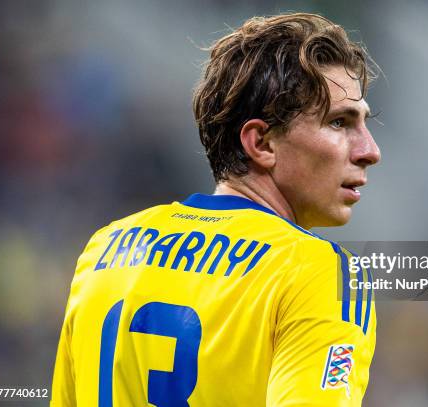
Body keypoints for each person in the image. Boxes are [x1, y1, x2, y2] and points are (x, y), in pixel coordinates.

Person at [52, 12, 380, 406]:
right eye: (339, 122)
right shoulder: (320, 272)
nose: (370, 151)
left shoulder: (106, 248)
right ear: (261, 143)